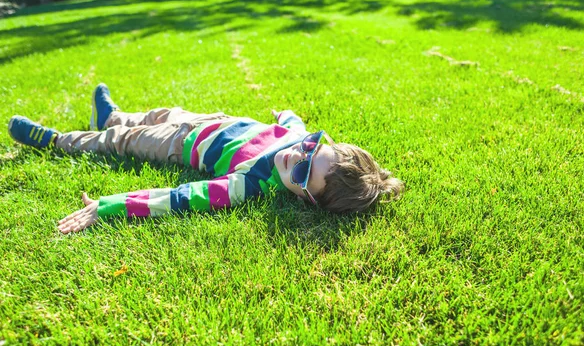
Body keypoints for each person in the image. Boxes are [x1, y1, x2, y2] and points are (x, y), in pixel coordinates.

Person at [8, 84, 404, 234]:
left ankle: (59, 141)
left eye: (302, 172)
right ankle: (109, 115)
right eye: (313, 147)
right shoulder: (300, 141)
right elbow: (295, 124)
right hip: (204, 121)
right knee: (154, 113)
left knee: (125, 140)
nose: (296, 155)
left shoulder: (249, 184)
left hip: (180, 144)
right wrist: (284, 117)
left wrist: (110, 206)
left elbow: (182, 197)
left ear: (305, 198)